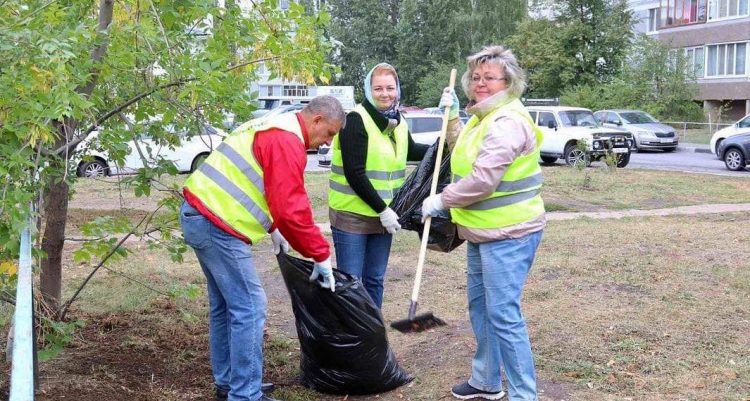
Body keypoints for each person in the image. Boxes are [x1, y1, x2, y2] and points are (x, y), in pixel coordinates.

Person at [180, 96, 345, 401]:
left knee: (226, 306)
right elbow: (291, 208)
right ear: (317, 119)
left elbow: (252, 182)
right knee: (250, 307)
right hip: (218, 226)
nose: (326, 143)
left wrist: (272, 227)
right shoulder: (286, 140)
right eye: (329, 134)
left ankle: (230, 383)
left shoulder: (270, 125)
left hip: (200, 215)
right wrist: (320, 253)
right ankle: (245, 394)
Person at [421, 46, 546, 401]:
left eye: (489, 78)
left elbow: (483, 181)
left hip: (510, 234)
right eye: (476, 77)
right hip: (481, 231)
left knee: (504, 314)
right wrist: (449, 118)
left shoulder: (507, 122)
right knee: (481, 308)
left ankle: (524, 395)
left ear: (508, 82)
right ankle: (487, 381)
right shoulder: (483, 118)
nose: (480, 84)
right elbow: (463, 145)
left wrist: (441, 200)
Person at [328, 63, 429, 308]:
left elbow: (412, 151)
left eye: (390, 88)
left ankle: (373, 335)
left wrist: (445, 146)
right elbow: (355, 173)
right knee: (351, 283)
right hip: (353, 216)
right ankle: (353, 338)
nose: (385, 94)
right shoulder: (355, 120)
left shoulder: (396, 121)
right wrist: (382, 210)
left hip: (384, 215)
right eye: (378, 88)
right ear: (368, 90)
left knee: (374, 279)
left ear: (398, 90)